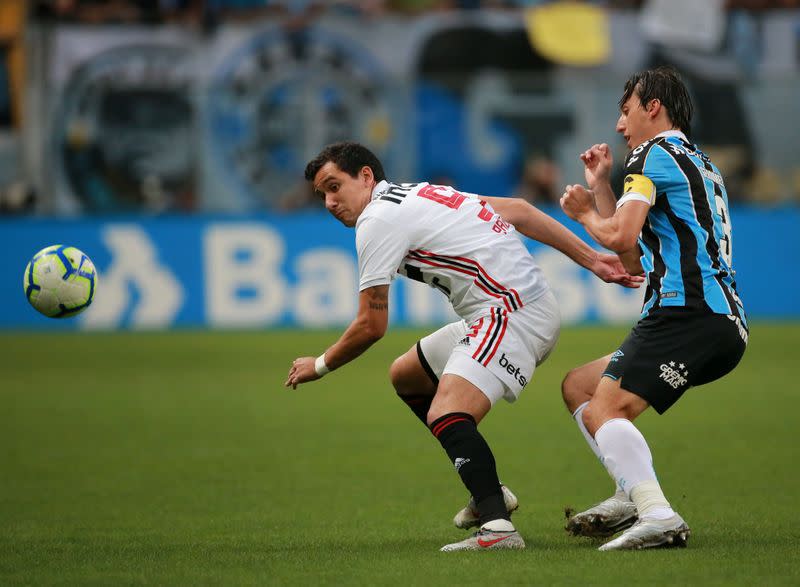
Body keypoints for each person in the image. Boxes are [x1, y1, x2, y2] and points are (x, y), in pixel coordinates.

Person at [285, 141, 642, 552]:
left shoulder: (377, 220)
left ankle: (497, 529)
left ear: (366, 176)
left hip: (512, 312)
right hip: (504, 310)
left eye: (335, 186)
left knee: (447, 410)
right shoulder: (417, 193)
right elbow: (521, 211)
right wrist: (592, 260)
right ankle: (489, 490)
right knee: (407, 375)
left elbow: (371, 324)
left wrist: (321, 365)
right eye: (322, 195)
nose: (330, 202)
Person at [559, 66, 748, 551]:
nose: (620, 127)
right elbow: (633, 260)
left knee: (606, 406)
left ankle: (658, 513)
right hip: (714, 319)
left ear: (653, 108)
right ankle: (630, 494)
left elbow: (618, 236)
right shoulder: (694, 161)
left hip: (689, 313)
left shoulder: (651, 154)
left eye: (625, 112)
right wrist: (602, 187)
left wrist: (582, 213)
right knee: (580, 385)